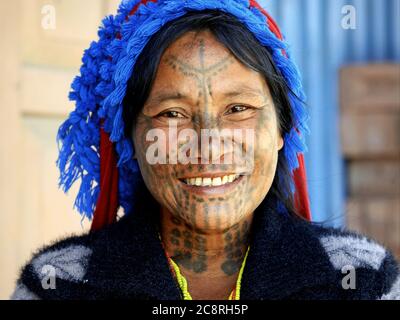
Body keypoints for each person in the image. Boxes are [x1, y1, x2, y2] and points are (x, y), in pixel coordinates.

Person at [11, 0, 399, 300]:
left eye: (238, 109)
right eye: (173, 113)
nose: (209, 144)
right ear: (129, 137)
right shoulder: (58, 284)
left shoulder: (362, 279)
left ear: (283, 128)